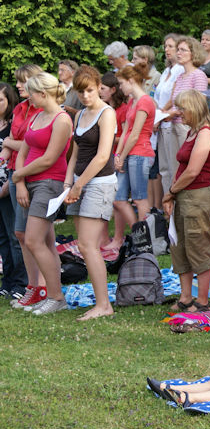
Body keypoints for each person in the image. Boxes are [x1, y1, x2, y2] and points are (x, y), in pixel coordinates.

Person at [11, 72, 73, 315]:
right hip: (29, 182)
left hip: (49, 183)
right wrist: (19, 182)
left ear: (43, 93)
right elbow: (23, 152)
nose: (29, 97)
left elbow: (50, 158)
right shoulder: (37, 116)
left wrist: (19, 176)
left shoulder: (61, 119)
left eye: (32, 92)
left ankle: (56, 297)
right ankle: (45, 292)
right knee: (43, 241)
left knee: (33, 240)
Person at [64, 66, 117, 321]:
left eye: (89, 90)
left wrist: (78, 185)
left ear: (98, 86)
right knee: (83, 246)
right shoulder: (80, 114)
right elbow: (74, 154)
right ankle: (101, 301)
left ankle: (104, 305)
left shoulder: (107, 114)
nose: (85, 96)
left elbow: (103, 156)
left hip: (99, 184)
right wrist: (67, 183)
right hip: (78, 183)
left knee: (88, 244)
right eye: (80, 91)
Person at [163, 90, 210, 313]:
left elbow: (193, 170)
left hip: (197, 197)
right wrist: (174, 195)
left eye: (182, 108)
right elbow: (183, 168)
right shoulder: (192, 132)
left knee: (198, 246)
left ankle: (202, 301)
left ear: (195, 109)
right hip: (184, 195)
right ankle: (186, 297)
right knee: (180, 247)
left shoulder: (205, 133)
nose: (179, 113)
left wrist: (170, 191)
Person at [1, 64, 44, 308]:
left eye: (22, 81)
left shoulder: (41, 111)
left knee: (26, 235)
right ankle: (20, 284)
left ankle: (31, 284)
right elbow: (13, 143)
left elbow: (32, 146)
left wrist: (10, 142)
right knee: (13, 233)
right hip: (14, 171)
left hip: (31, 174)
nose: (18, 85)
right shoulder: (20, 108)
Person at [159, 36, 208, 192]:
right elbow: (174, 102)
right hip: (173, 125)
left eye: (182, 50)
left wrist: (175, 112)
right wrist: (166, 113)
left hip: (187, 128)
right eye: (178, 50)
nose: (178, 53)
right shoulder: (180, 77)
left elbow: (198, 105)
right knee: (170, 168)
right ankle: (170, 207)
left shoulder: (198, 75)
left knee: (184, 167)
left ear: (193, 53)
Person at [113, 63, 156, 228]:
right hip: (129, 153)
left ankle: (144, 239)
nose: (120, 87)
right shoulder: (133, 101)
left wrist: (121, 156)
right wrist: (118, 155)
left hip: (140, 153)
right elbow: (125, 132)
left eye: (122, 83)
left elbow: (135, 134)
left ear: (131, 81)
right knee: (119, 199)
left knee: (139, 198)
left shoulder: (144, 101)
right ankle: (139, 234)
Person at [0, 82, 27, 301]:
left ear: (9, 102)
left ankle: (21, 282)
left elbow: (15, 157)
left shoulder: (12, 127)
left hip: (8, 185)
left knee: (14, 235)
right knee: (2, 238)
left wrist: (5, 187)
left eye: (0, 100)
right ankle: (7, 281)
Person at [99, 71, 129, 250]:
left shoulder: (122, 109)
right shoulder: (103, 108)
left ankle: (118, 237)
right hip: (102, 157)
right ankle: (103, 239)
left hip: (114, 156)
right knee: (102, 200)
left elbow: (125, 136)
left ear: (112, 89)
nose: (99, 92)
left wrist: (106, 137)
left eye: (102, 89)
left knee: (117, 201)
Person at [153, 33, 185, 198]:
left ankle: (175, 206)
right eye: (165, 46)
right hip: (161, 122)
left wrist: (159, 115)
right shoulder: (167, 70)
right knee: (164, 169)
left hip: (171, 122)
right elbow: (159, 97)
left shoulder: (180, 70)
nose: (167, 50)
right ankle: (168, 208)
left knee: (173, 167)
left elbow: (174, 98)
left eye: (171, 46)